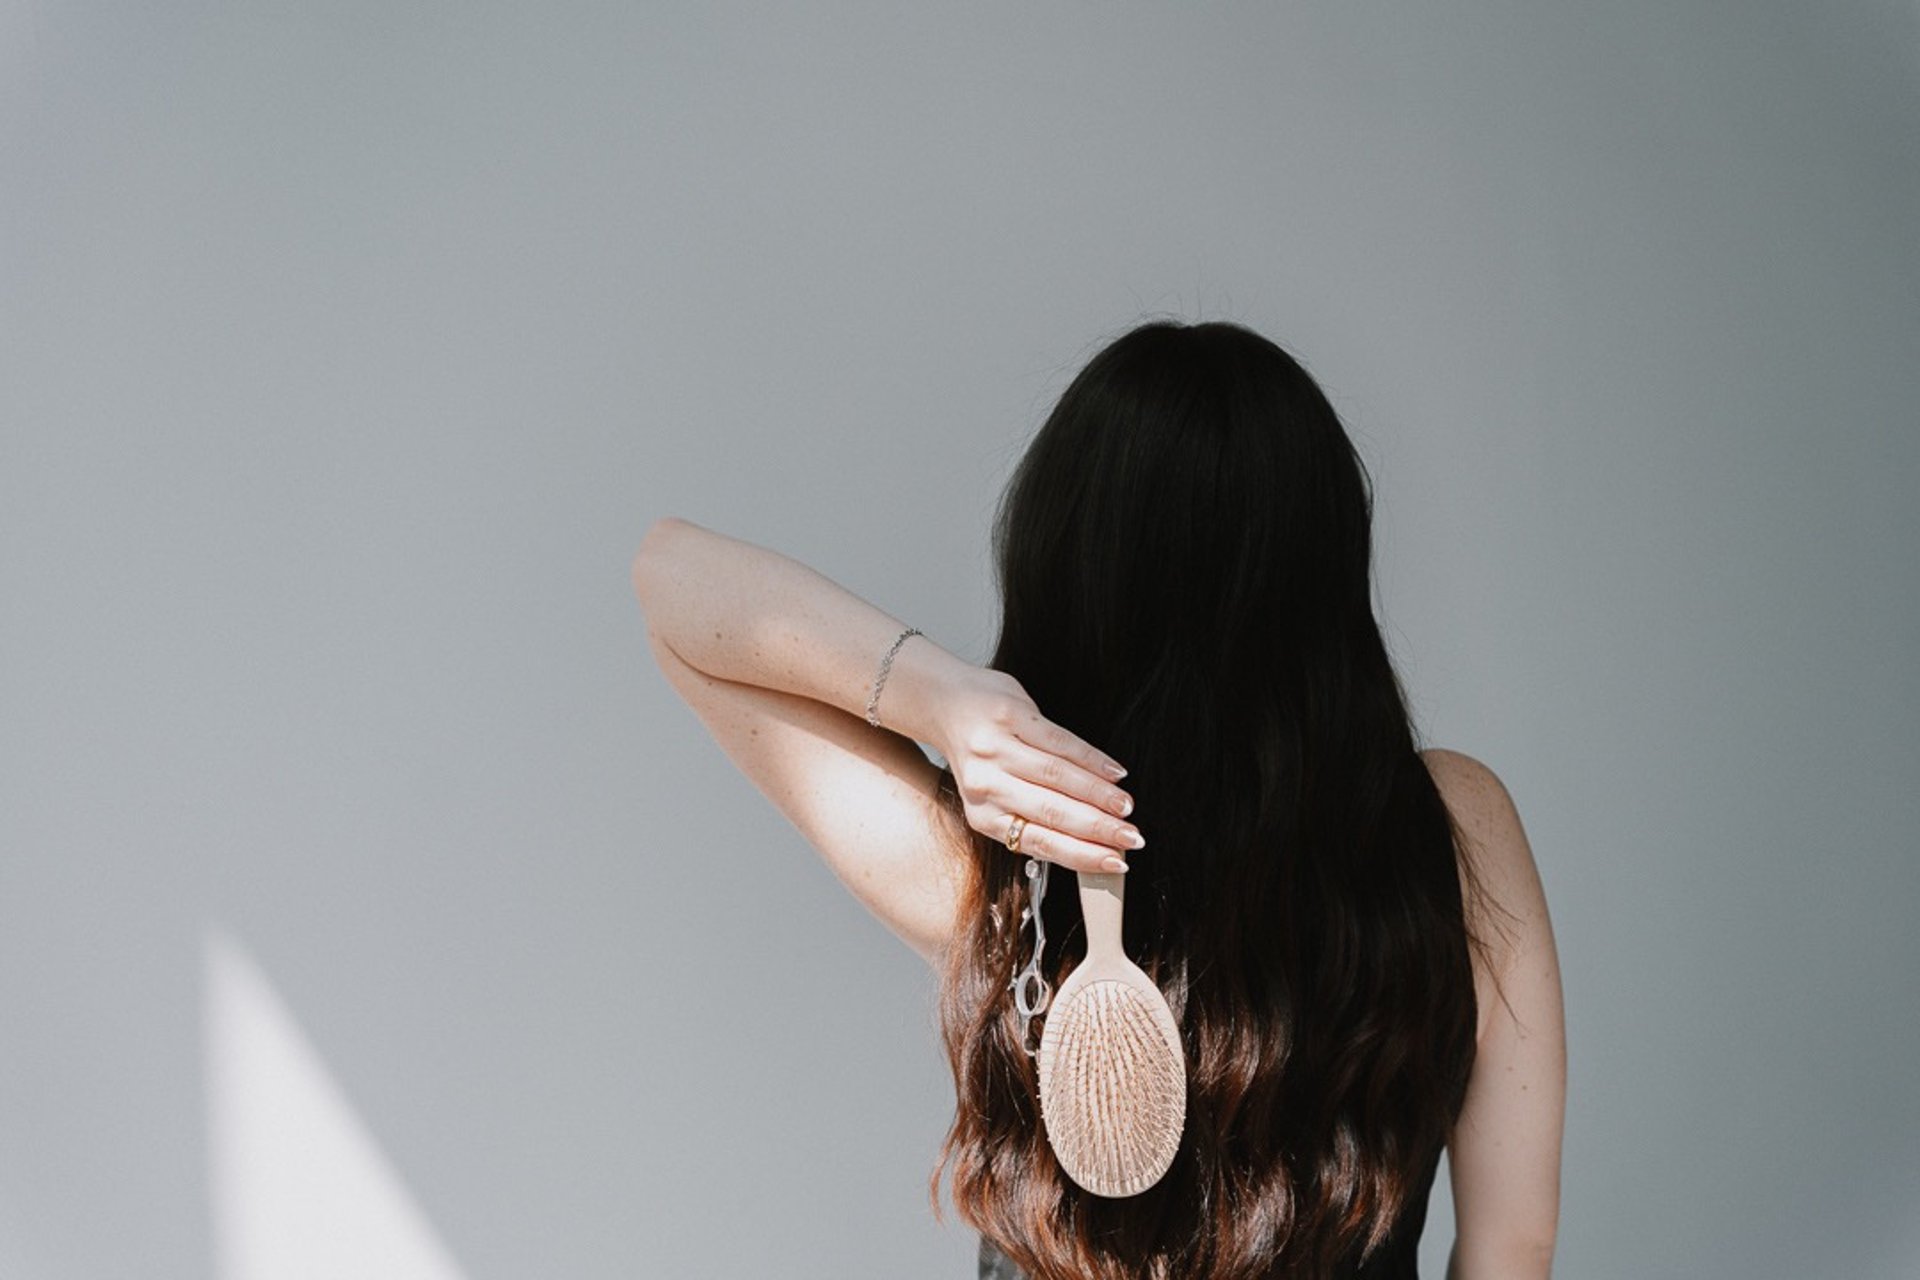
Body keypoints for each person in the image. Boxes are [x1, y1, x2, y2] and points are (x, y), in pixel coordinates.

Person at [631, 318, 1565, 1279]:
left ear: (1061, 562)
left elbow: (668, 583)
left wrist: (939, 697)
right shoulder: (1457, 829)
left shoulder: (1001, 875)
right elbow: (1511, 1243)